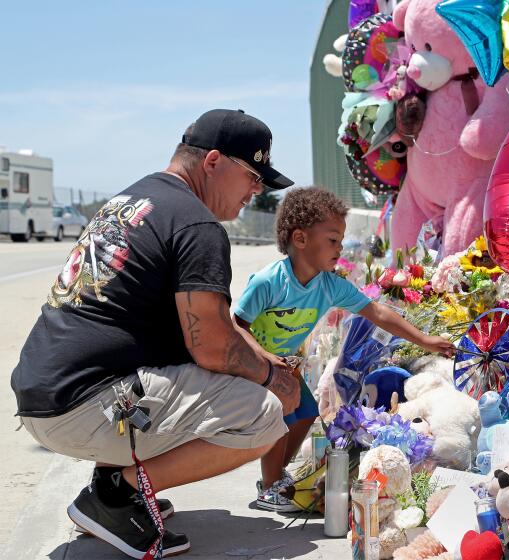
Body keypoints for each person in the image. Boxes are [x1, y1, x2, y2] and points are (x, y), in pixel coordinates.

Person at [10, 109, 302, 559]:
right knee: (262, 413)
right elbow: (211, 346)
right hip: (84, 404)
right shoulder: (197, 224)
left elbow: (211, 322)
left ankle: (116, 481)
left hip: (47, 395)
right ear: (213, 162)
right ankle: (116, 499)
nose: (256, 191)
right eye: (251, 175)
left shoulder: (134, 200)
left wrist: (263, 356)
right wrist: (271, 378)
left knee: (213, 373)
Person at [232, 187, 455, 511]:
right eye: (333, 240)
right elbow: (237, 325)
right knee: (279, 417)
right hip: (256, 366)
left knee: (306, 414)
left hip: (284, 367)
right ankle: (269, 486)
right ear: (301, 239)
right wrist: (266, 360)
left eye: (340, 240)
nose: (339, 248)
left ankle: (276, 476)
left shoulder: (329, 284)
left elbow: (377, 312)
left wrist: (423, 339)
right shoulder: (268, 282)